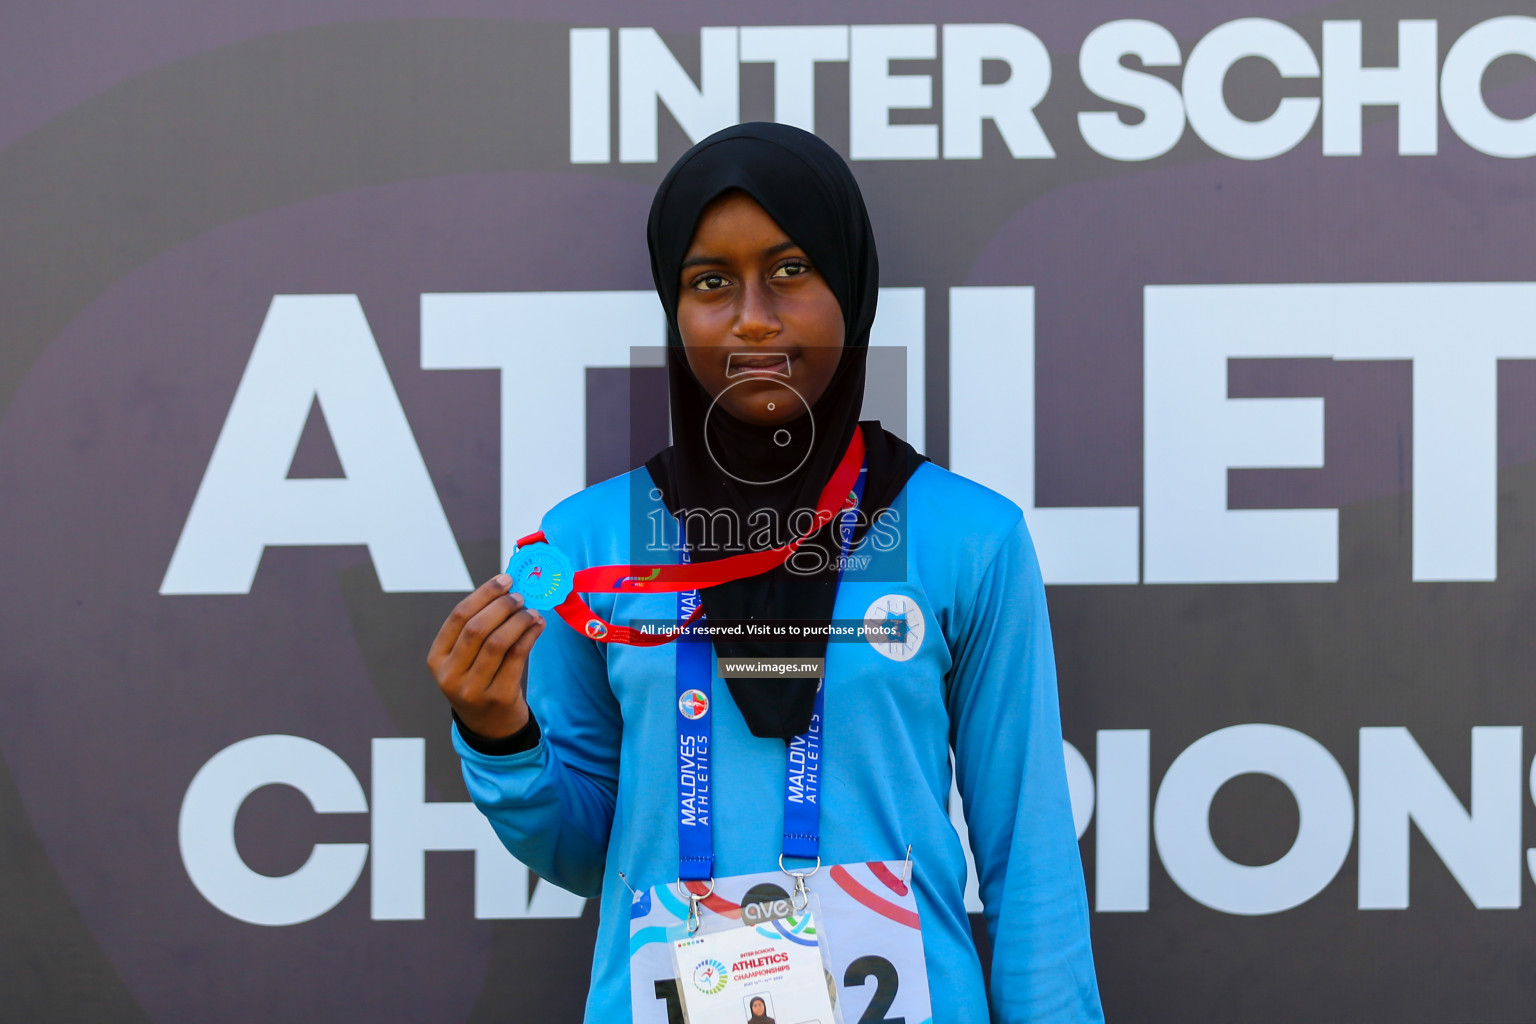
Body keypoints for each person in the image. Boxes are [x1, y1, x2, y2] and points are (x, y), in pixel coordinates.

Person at [427, 122, 1103, 1023]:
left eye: (791, 271)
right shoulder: (593, 542)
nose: (752, 315)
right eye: (710, 282)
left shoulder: (964, 536)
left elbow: (1032, 860)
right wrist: (499, 735)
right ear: (673, 309)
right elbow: (588, 852)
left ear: (852, 289)